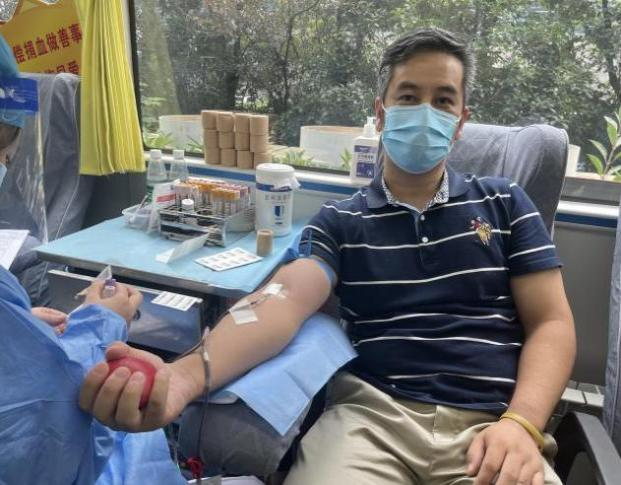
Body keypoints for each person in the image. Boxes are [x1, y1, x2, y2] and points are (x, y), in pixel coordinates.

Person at [81, 28, 575, 485]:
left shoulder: (504, 202)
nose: (426, 111)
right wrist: (183, 378)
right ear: (381, 113)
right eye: (408, 97)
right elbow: (281, 301)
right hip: (372, 421)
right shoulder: (340, 221)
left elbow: (551, 323)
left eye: (443, 100)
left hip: (493, 425)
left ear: (461, 121)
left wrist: (522, 424)